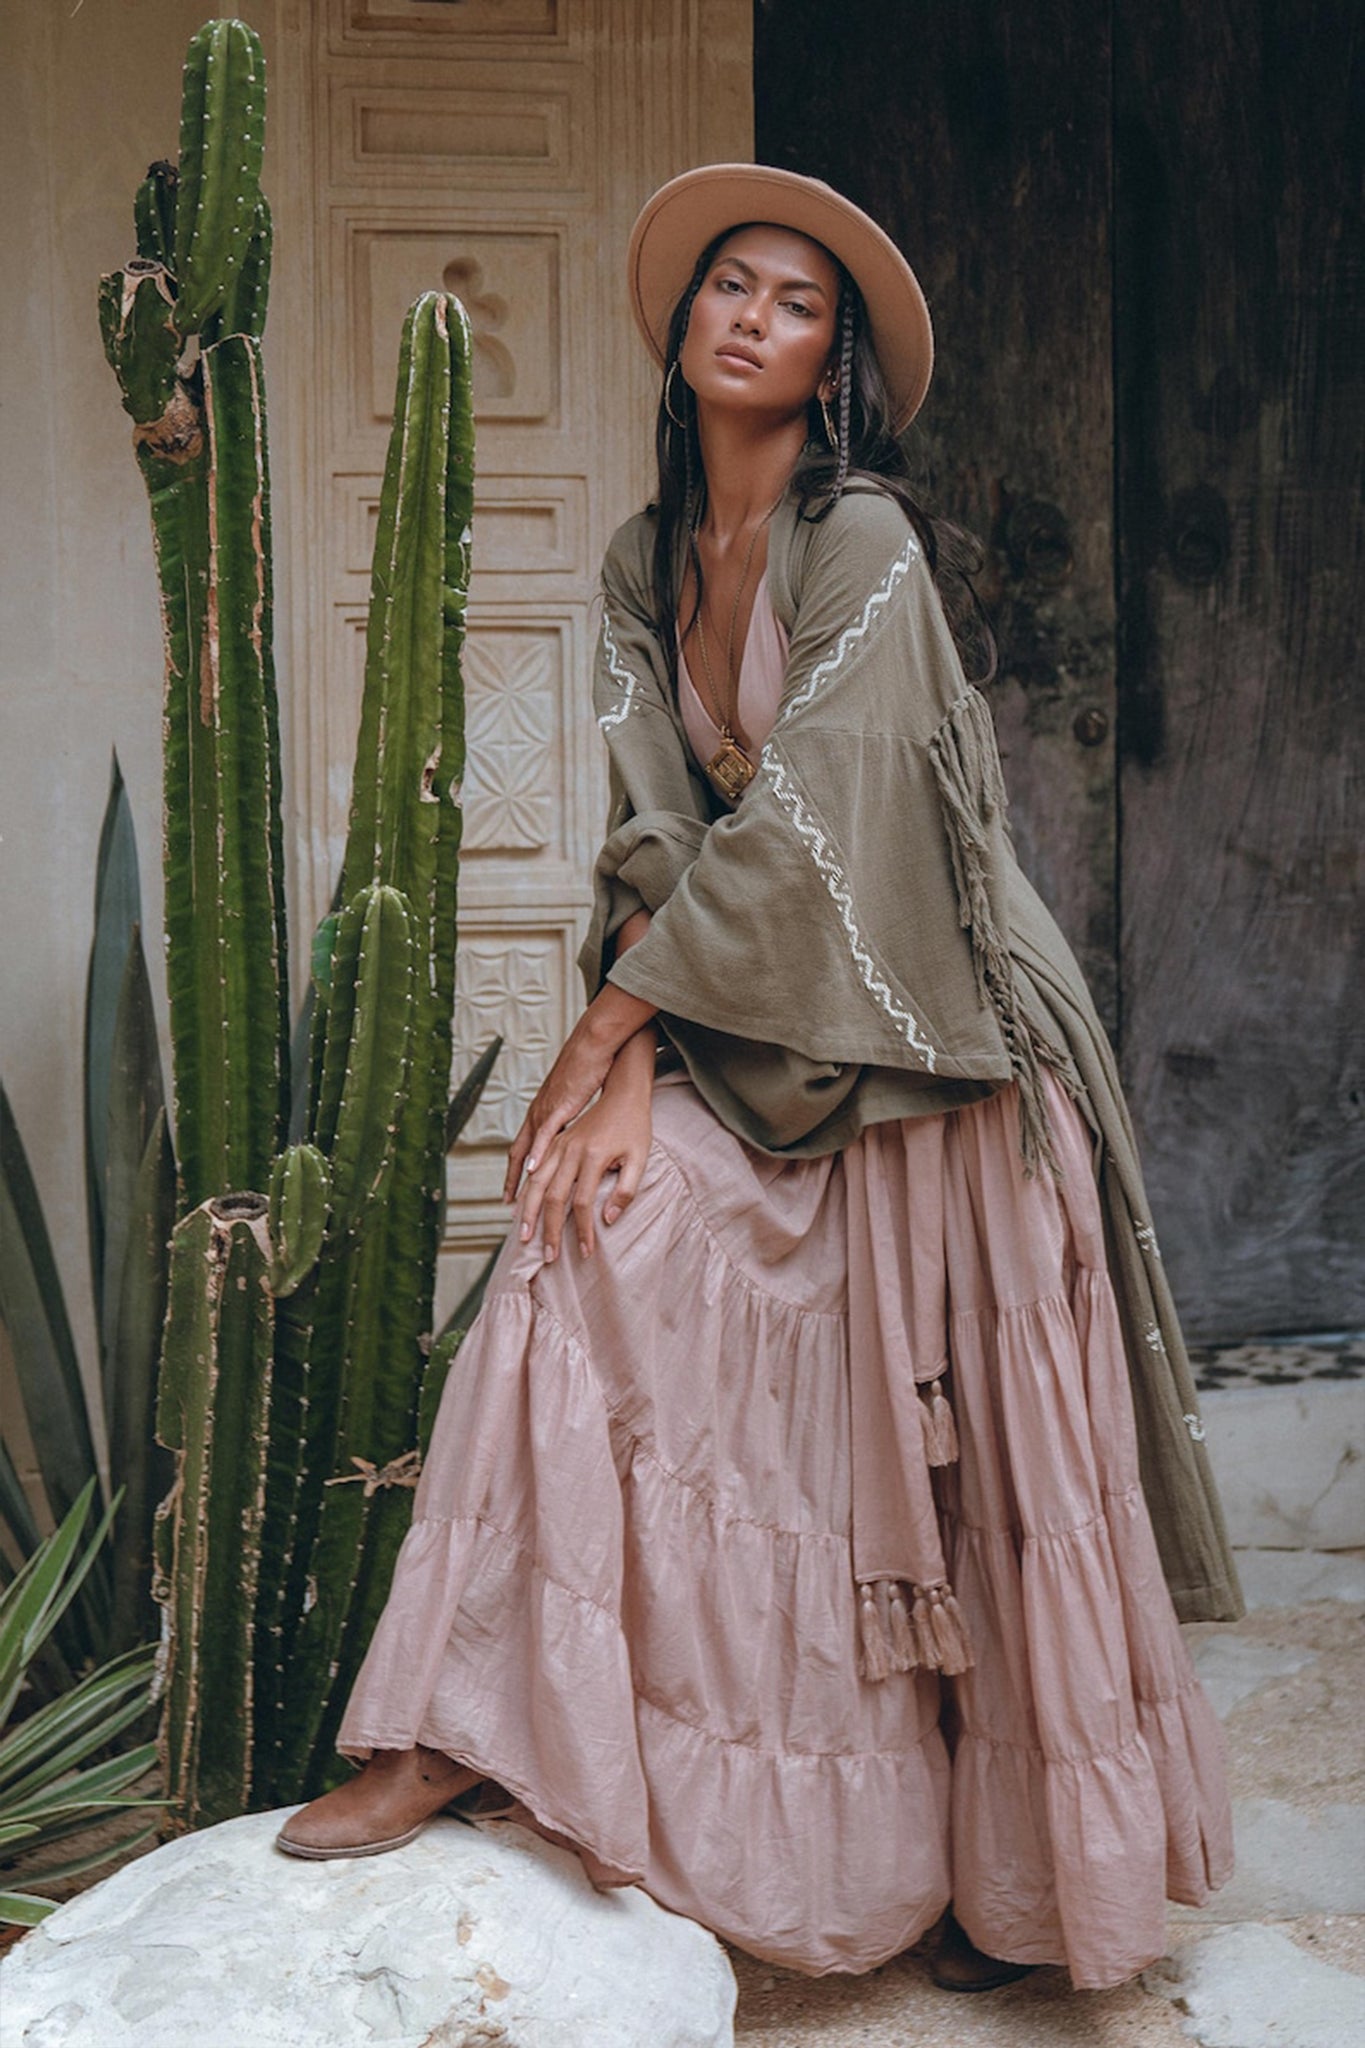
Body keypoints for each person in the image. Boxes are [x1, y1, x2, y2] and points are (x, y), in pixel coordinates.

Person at [276, 164, 1239, 1994]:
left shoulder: (853, 537)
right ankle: (464, 1722)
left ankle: (1008, 1885)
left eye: (794, 303)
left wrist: (608, 1027)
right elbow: (658, 831)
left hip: (938, 1039)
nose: (749, 315)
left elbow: (815, 827)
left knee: (953, 1455)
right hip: (755, 1015)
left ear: (831, 366)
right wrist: (627, 1069)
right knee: (578, 1237)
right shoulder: (649, 560)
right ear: (687, 322)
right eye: (730, 283)